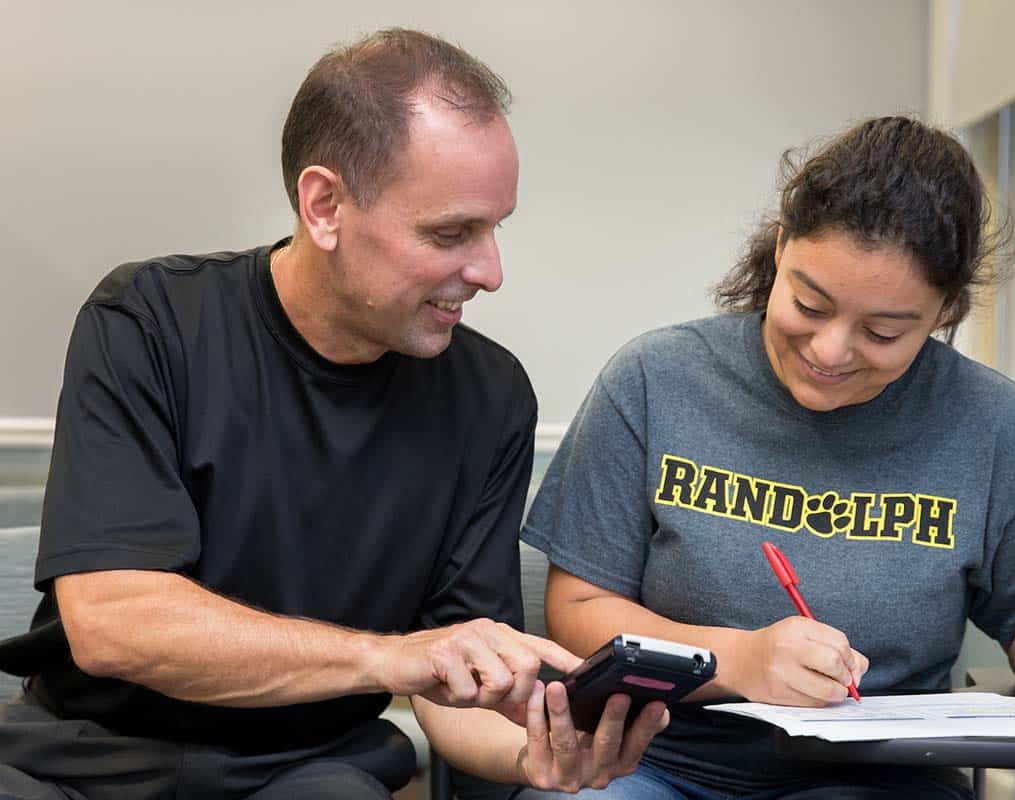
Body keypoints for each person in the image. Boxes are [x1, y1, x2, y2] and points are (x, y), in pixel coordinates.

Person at [0, 28, 666, 800]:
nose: (489, 272)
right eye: (450, 232)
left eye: (495, 228)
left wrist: (532, 758)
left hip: (307, 771)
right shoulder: (149, 322)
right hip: (84, 756)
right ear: (324, 206)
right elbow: (113, 623)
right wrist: (390, 657)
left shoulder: (491, 400)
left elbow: (455, 686)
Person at [519, 116, 1015, 799]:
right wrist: (739, 659)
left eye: (882, 331)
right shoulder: (654, 381)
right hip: (654, 765)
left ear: (945, 312)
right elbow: (579, 603)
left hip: (879, 779)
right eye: (810, 304)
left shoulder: (995, 427)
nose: (830, 351)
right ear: (780, 250)